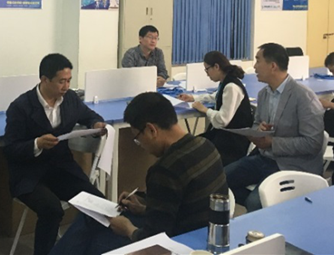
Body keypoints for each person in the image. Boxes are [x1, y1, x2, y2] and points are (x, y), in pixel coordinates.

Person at [49, 92, 227, 255]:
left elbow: (154, 241)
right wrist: (144, 208)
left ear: (151, 130)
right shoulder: (206, 145)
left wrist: (128, 229)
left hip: (176, 244)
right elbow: (178, 208)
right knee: (90, 221)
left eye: (138, 138)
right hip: (203, 235)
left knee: (90, 238)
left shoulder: (165, 169)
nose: (141, 145)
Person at [4, 53, 106, 255]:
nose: (66, 86)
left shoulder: (70, 100)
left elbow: (89, 115)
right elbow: (10, 149)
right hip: (28, 174)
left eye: (69, 80)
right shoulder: (21, 107)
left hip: (61, 169)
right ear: (44, 80)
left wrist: (96, 124)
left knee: (99, 204)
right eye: (61, 81)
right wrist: (37, 144)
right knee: (52, 210)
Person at [224, 43, 324, 212]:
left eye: (258, 61)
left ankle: (265, 217)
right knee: (218, 181)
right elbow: (257, 123)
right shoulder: (264, 94)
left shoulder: (304, 97)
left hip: (293, 164)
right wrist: (258, 130)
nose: (254, 66)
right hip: (264, 158)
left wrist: (272, 142)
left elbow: (313, 143)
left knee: (256, 202)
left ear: (273, 66)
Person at [178, 51, 253, 166]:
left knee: (192, 150)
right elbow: (216, 96)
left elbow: (222, 120)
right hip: (224, 134)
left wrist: (205, 110)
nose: (207, 74)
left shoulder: (231, 87)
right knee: (189, 145)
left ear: (216, 67)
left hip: (233, 141)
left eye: (207, 69)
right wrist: (193, 97)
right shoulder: (226, 81)